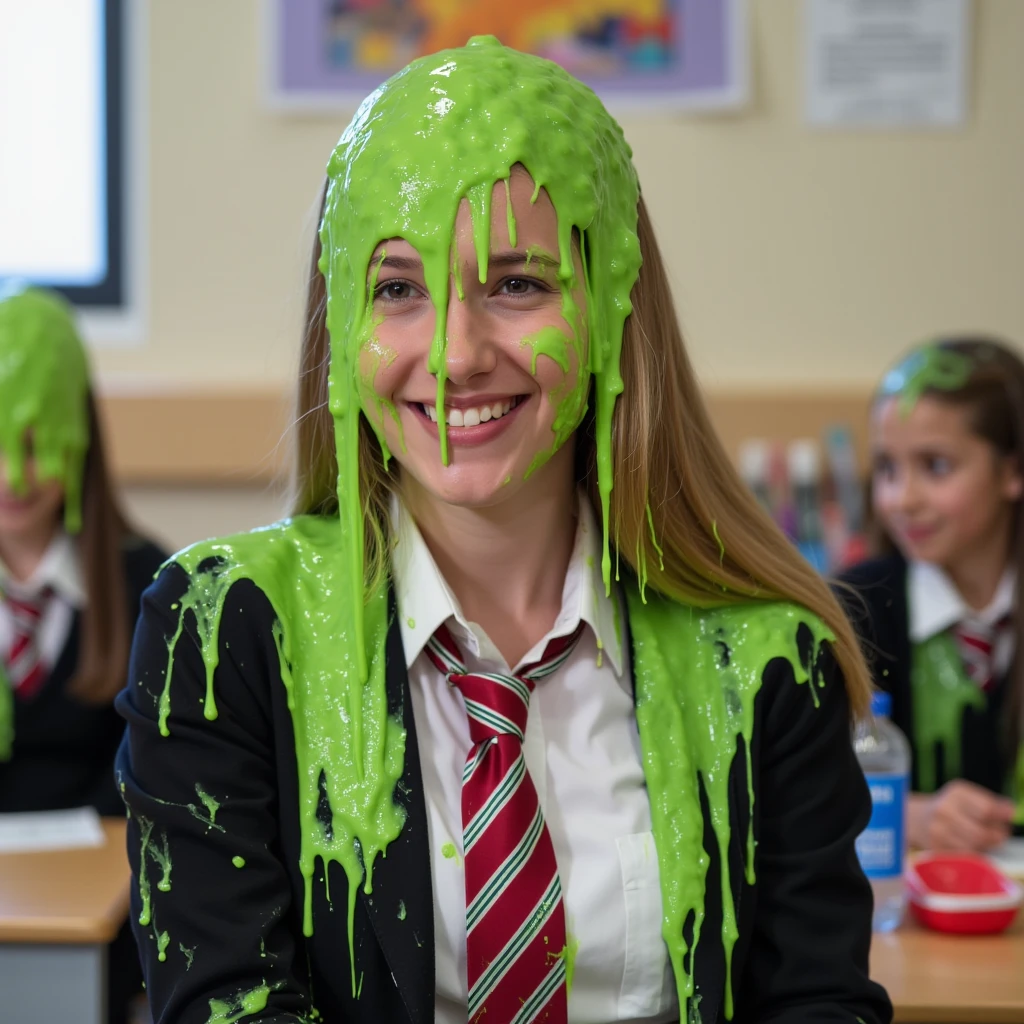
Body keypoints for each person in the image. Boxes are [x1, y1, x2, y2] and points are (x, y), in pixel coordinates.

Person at [116, 38, 891, 1024]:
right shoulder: (220, 630)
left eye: (516, 284)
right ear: (343, 326)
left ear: (613, 307)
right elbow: (223, 1001)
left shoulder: (765, 657)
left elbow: (817, 1004)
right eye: (397, 288)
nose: (454, 355)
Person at [0, 284, 168, 1024]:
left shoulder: (148, 586)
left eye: (37, 444)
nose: (14, 475)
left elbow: (150, 767)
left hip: (104, 923)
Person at [842, 338, 1024, 853]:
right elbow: (799, 794)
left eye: (936, 466)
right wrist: (909, 817)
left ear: (1013, 471)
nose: (903, 499)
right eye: (886, 468)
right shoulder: (851, 611)